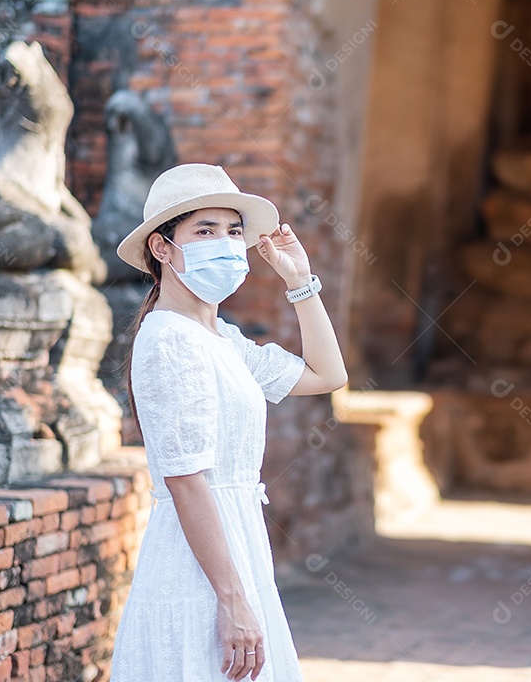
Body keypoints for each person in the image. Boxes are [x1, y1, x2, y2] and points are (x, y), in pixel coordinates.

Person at [109, 163, 348, 681]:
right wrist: (232, 598)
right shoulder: (169, 338)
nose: (226, 243)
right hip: (201, 569)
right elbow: (187, 480)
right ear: (162, 247)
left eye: (234, 231)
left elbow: (328, 374)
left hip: (238, 552)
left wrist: (301, 282)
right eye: (205, 230)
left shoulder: (225, 341)